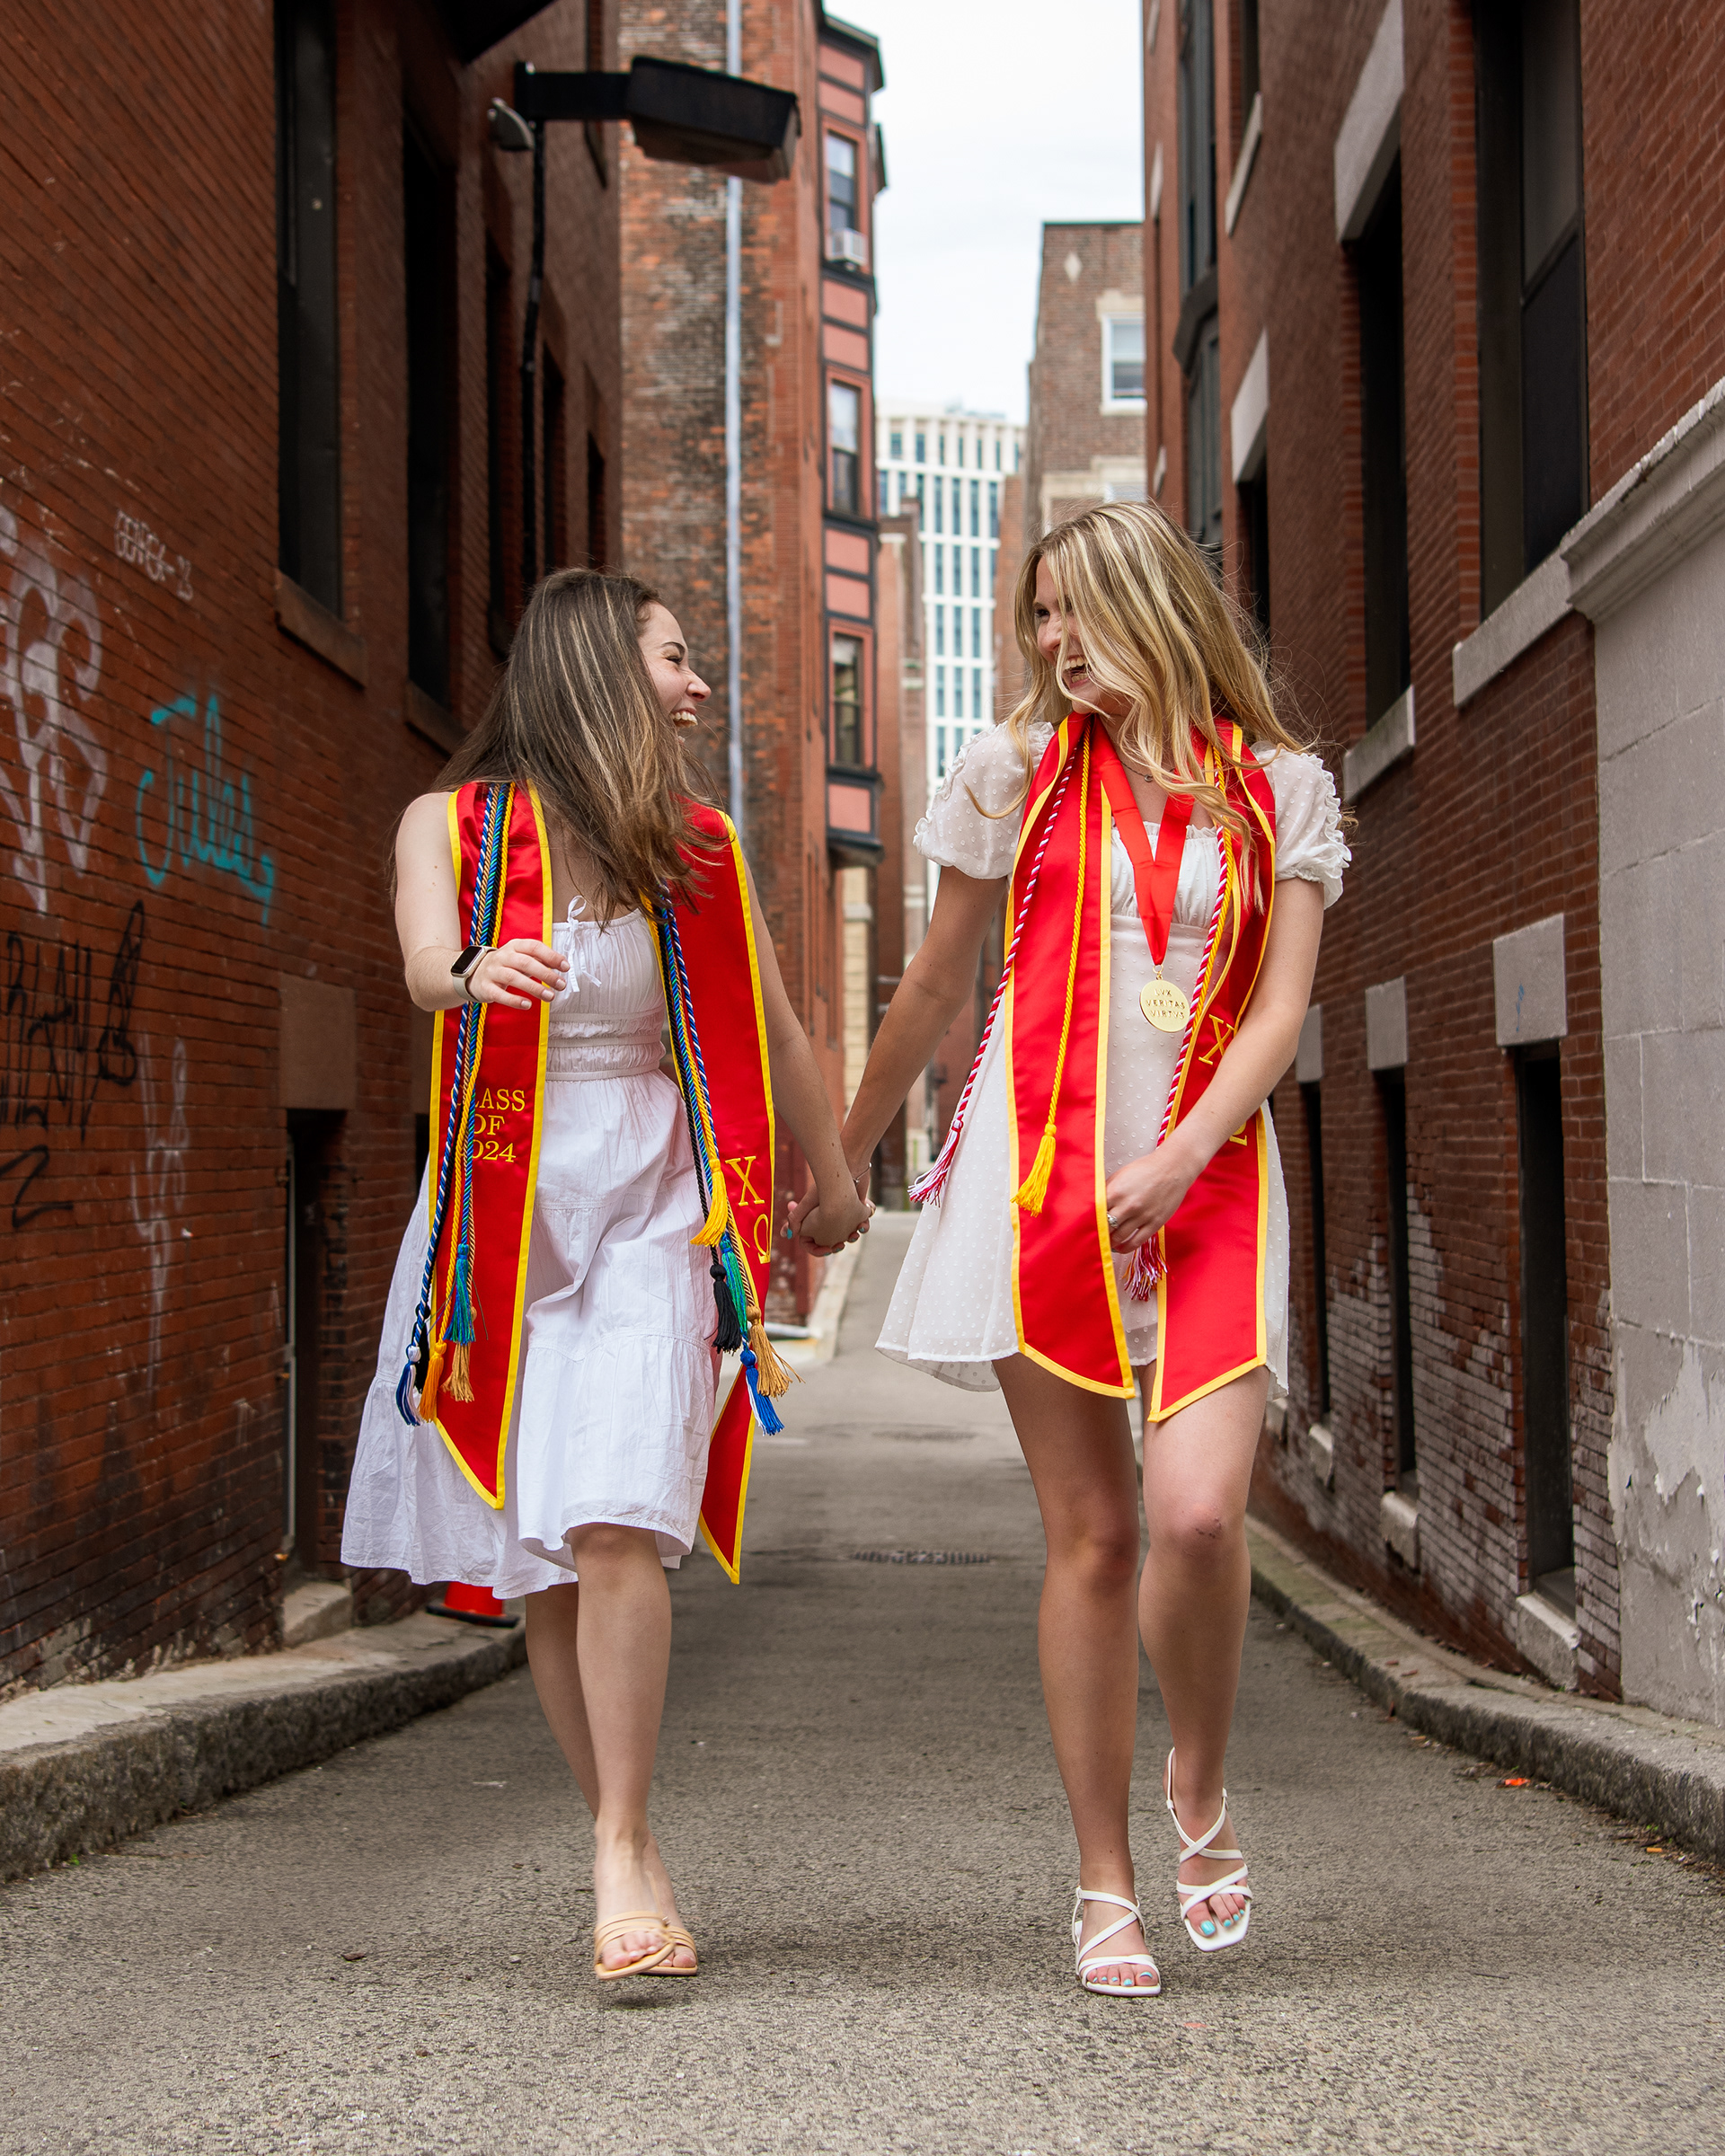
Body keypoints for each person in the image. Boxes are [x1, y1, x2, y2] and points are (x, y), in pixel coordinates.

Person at [815, 501, 1347, 1995]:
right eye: (1035, 617)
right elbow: (932, 986)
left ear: (1149, 605)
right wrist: (839, 1159)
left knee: (1194, 1516)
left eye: (1072, 612)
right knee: (1095, 1536)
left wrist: (1180, 1157)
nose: (1052, 643)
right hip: (1038, 1179)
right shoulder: (1014, 774)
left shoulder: (1280, 790)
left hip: (1212, 1174)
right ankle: (1104, 1876)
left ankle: (1199, 1791)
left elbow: (1279, 1014)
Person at [343, 569, 870, 1981]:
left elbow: (778, 1024)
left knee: (619, 1515)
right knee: (550, 1562)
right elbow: (414, 968)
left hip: (655, 1200)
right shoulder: (447, 828)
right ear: (594, 669)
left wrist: (835, 1180)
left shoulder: (694, 849)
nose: (698, 686)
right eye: (677, 659)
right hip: (505, 1216)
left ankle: (624, 1848)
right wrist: (473, 971)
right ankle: (618, 1837)